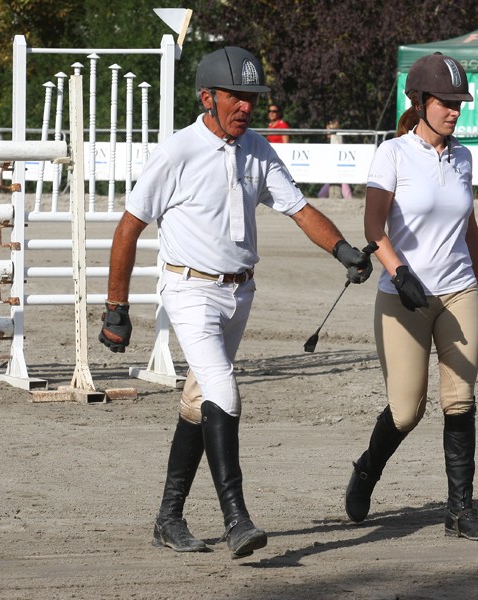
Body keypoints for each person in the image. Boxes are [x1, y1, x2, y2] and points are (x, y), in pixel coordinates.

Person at [98, 46, 372, 559]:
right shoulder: (177, 151)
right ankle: (237, 518)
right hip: (189, 290)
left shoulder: (258, 150)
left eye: (252, 97)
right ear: (208, 97)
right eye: (236, 97)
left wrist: (342, 250)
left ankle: (169, 517)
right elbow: (129, 227)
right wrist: (116, 308)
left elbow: (299, 208)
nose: (246, 106)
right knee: (225, 392)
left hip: (239, 291)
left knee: (198, 401)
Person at [344, 52, 478, 541]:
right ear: (421, 101)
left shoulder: (464, 157)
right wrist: (398, 271)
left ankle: (460, 512)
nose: (456, 110)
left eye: (460, 103)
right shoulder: (392, 154)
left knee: (460, 400)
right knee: (407, 410)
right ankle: (368, 468)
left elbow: (468, 226)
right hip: (404, 295)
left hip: (458, 292)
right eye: (447, 102)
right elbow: (373, 225)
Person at [317, 119, 352, 200]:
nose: (326, 132)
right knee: (322, 194)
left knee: (346, 190)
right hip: (332, 172)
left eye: (328, 131)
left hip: (340, 171)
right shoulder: (333, 141)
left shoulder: (337, 141)